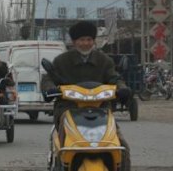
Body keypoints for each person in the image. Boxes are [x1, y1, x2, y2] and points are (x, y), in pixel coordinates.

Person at [41, 20, 131, 171]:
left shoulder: (105, 60)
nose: (85, 43)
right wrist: (49, 89)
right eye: (82, 40)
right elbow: (49, 78)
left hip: (101, 108)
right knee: (64, 145)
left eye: (89, 40)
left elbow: (114, 78)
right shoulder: (62, 61)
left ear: (94, 41)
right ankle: (60, 164)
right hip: (68, 108)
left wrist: (122, 88)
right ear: (74, 41)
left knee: (122, 145)